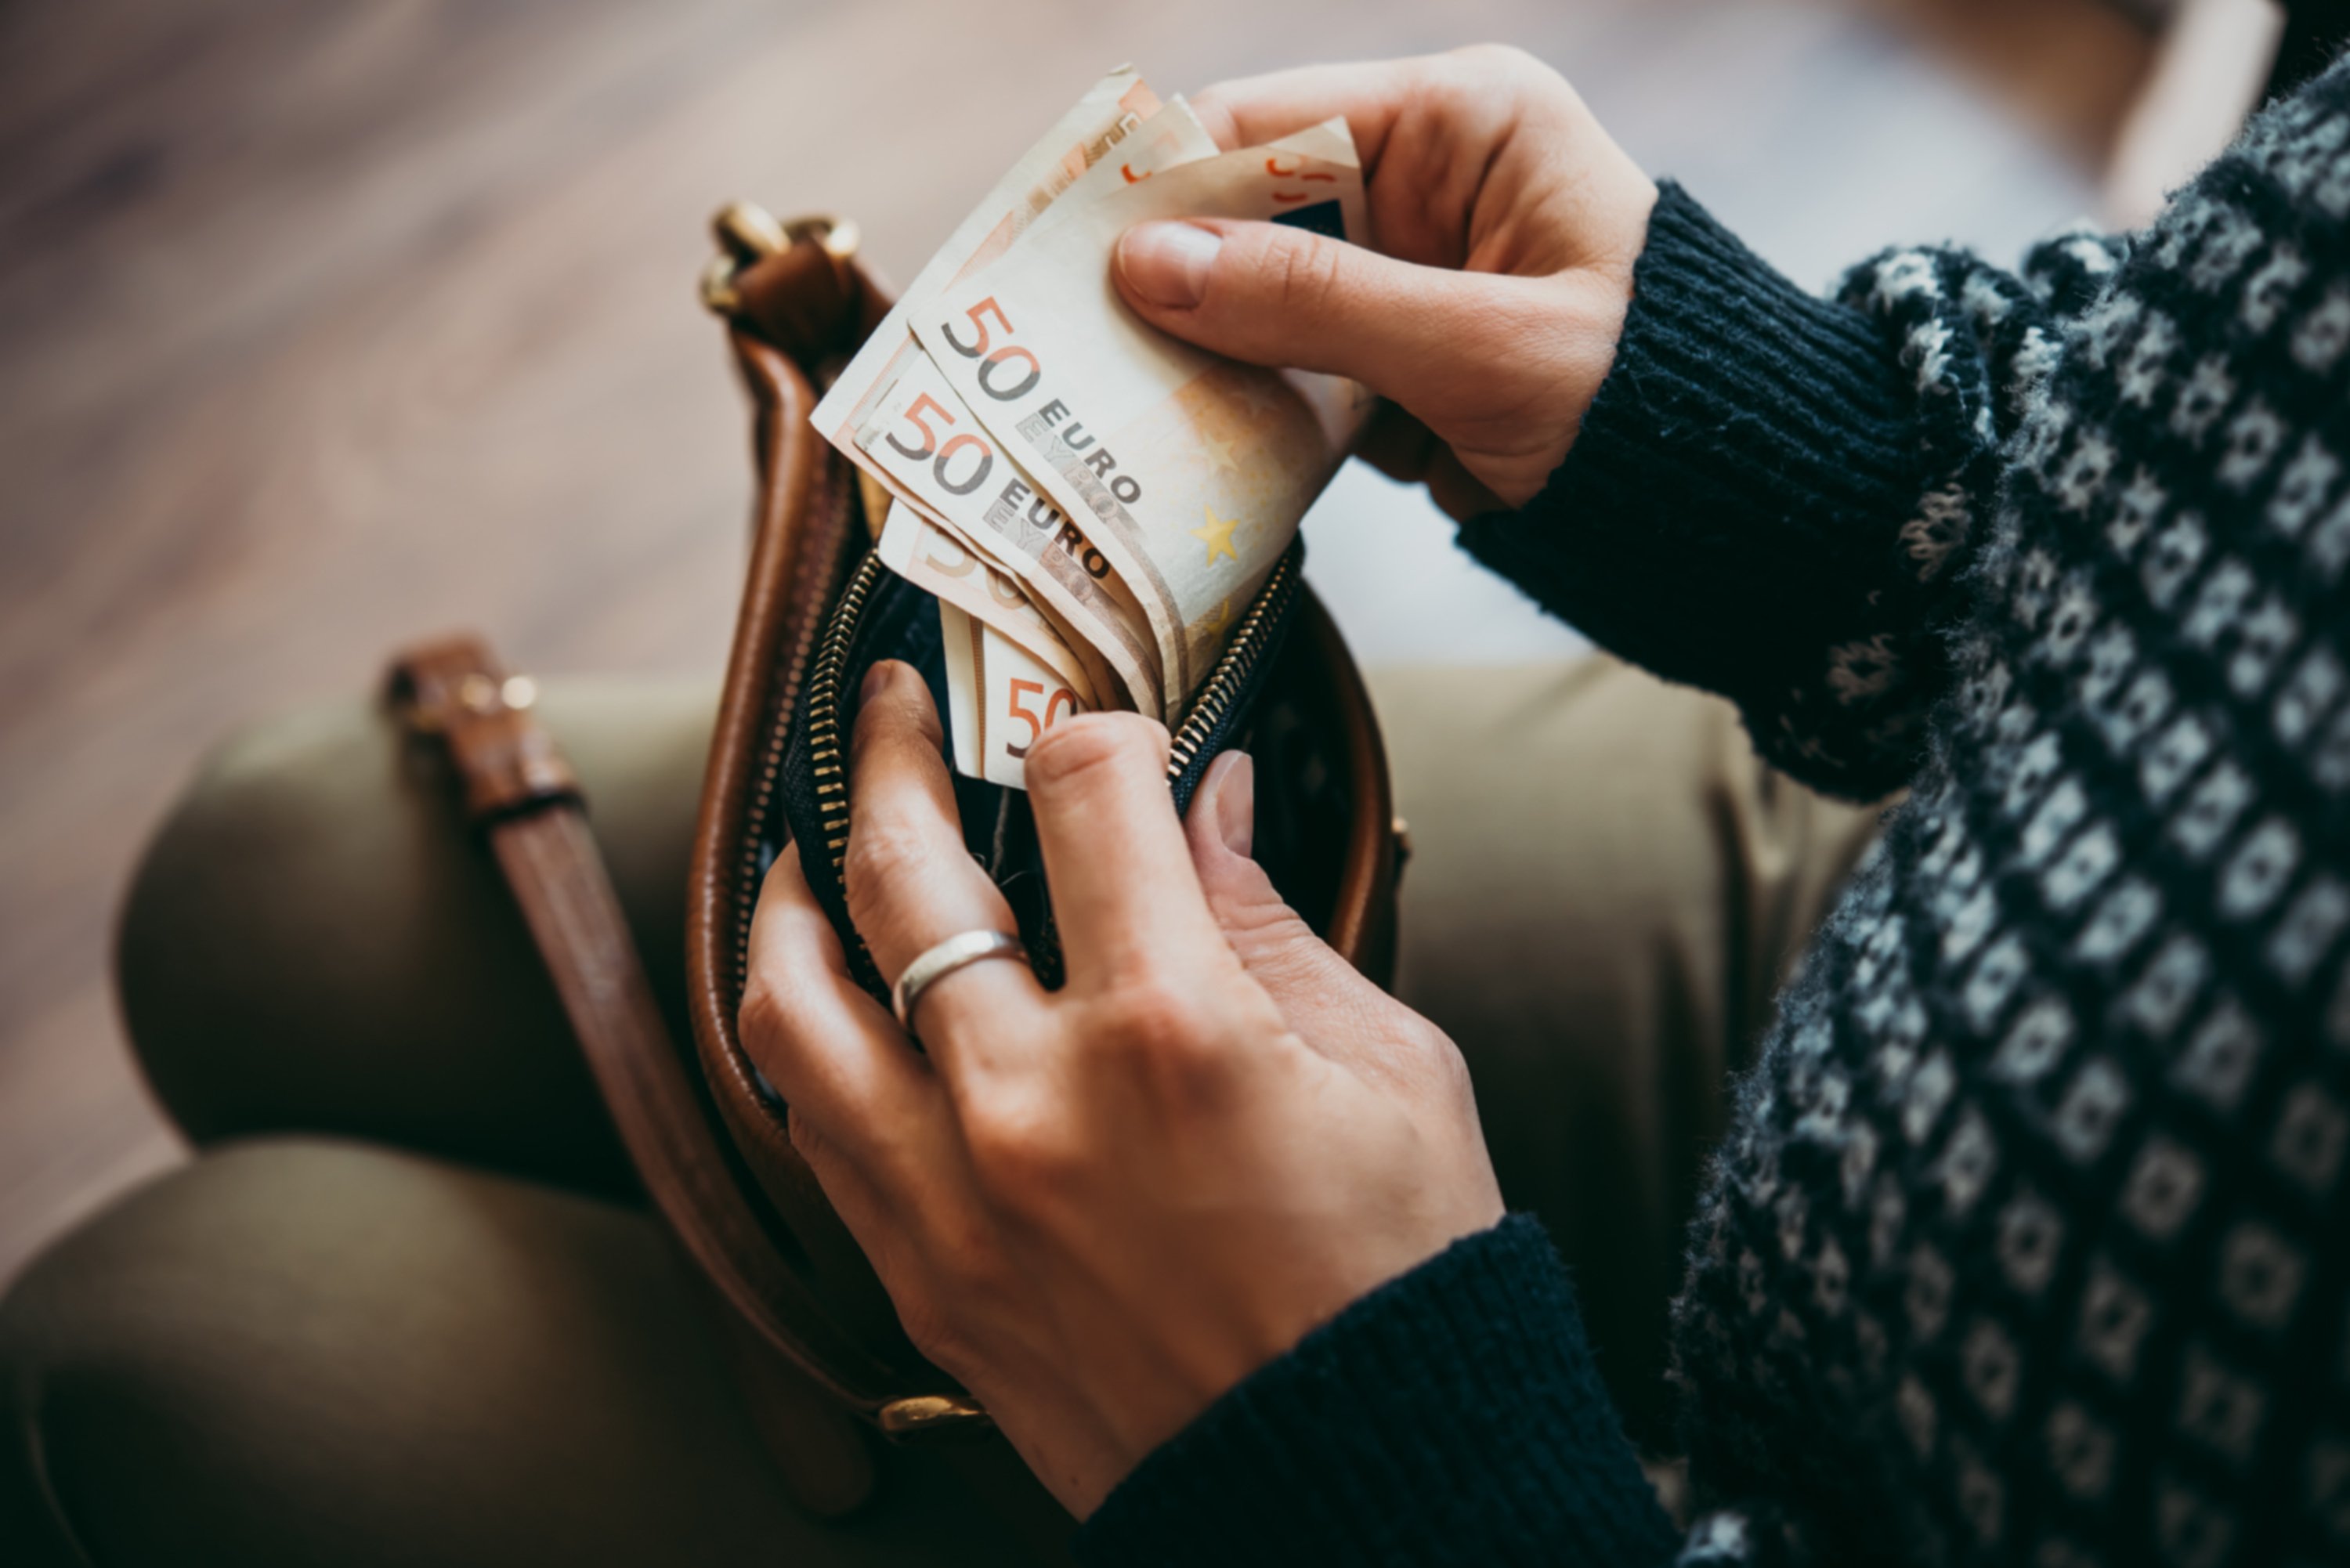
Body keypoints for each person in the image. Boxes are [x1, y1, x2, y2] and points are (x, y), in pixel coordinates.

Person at [4, 38, 2345, 1568]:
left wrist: (1370, 1457)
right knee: (283, 875)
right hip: (1926, 880)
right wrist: (1835, 468)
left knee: (173, 1353)